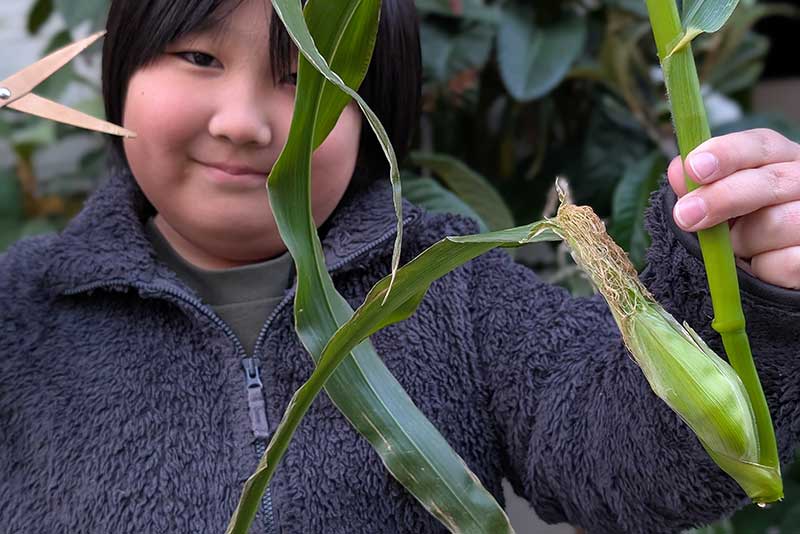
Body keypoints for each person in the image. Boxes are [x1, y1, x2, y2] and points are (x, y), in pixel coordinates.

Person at [1, 0, 799, 532]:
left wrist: (754, 295)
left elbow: (634, 462)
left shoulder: (451, 284)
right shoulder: (18, 316)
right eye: (198, 57)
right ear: (121, 75)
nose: (242, 123)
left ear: (376, 114)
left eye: (306, 83)